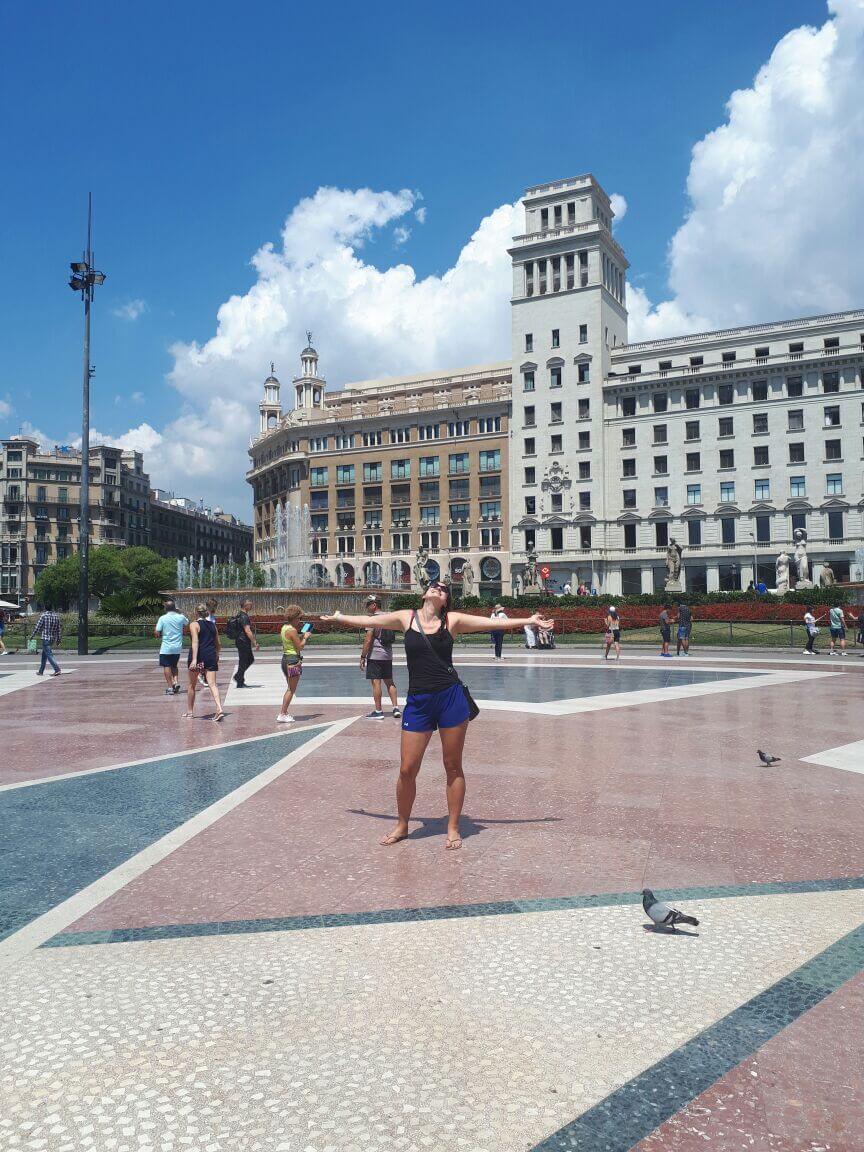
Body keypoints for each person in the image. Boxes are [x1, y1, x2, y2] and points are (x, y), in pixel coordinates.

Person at [322, 584, 552, 850]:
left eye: (443, 589)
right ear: (424, 595)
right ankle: (402, 824)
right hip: (418, 702)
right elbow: (369, 620)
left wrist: (530, 620)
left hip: (450, 699)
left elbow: (493, 623)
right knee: (407, 769)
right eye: (434, 586)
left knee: (452, 766)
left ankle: (453, 827)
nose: (438, 588)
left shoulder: (451, 621)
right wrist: (339, 617)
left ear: (445, 601)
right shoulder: (406, 617)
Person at [360, 594, 400, 719]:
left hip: (375, 655)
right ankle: (396, 708)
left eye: (368, 604)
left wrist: (363, 656)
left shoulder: (373, 619)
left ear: (374, 605)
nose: (366, 607)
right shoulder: (388, 616)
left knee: (376, 683)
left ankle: (378, 711)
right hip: (387, 655)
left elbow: (368, 640)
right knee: (389, 682)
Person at [184, 602, 223, 720]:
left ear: (196, 612)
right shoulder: (212, 625)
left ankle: (190, 712)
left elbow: (195, 641)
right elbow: (218, 643)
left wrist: (194, 659)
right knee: (212, 684)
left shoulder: (194, 624)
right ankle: (219, 708)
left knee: (192, 685)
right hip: (210, 656)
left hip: (199, 657)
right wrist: (217, 654)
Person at [276, 604, 308, 723]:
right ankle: (283, 713)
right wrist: (305, 637)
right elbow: (300, 647)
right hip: (293, 661)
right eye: (299, 618)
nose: (300, 621)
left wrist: (301, 637)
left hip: (285, 659)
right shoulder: (293, 630)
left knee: (289, 688)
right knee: (291, 689)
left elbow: (292, 642)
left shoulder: (284, 628)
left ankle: (284, 712)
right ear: (294, 618)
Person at [154, 599, 188, 694]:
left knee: (166, 666)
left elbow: (157, 632)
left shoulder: (162, 618)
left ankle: (170, 687)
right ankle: (175, 682)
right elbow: (186, 623)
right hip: (177, 647)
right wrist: (180, 612)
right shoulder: (180, 617)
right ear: (174, 608)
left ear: (165, 608)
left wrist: (157, 632)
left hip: (166, 647)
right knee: (174, 665)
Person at [232, 598, 260, 688]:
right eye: (250, 604)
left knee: (247, 660)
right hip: (243, 641)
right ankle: (239, 679)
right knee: (245, 661)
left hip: (241, 641)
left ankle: (239, 678)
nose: (251, 605)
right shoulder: (244, 616)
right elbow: (247, 630)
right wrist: (254, 642)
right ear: (245, 605)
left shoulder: (240, 614)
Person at [31, 607, 62, 676]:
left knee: (49, 655)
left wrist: (32, 635)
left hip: (45, 638)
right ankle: (41, 671)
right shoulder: (56, 616)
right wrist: (58, 639)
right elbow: (58, 629)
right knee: (44, 655)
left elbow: (37, 627)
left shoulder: (44, 616)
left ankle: (57, 669)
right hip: (52, 639)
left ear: (45, 608)